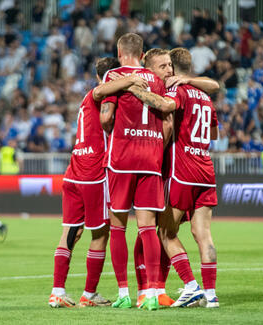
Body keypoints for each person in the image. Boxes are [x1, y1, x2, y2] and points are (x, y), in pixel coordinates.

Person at [49, 57, 149, 308]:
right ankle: (89, 293)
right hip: (94, 173)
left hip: (74, 169)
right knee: (102, 233)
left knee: (71, 231)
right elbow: (103, 90)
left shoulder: (85, 99)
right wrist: (133, 79)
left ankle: (57, 291)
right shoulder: (102, 95)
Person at [126, 48, 219, 308]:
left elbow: (167, 106)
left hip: (183, 171)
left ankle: (191, 286)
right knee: (204, 235)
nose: (166, 71)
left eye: (168, 67)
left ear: (174, 70)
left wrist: (136, 90)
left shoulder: (177, 89)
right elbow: (214, 134)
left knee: (165, 232)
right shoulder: (205, 96)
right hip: (206, 170)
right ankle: (211, 295)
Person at [99, 33, 169, 311]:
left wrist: (114, 131)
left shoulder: (113, 76)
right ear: (142, 55)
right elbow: (167, 123)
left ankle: (124, 293)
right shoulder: (157, 81)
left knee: (117, 227)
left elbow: (105, 116)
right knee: (148, 227)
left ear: (119, 51)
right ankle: (151, 293)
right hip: (151, 157)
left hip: (122, 158)